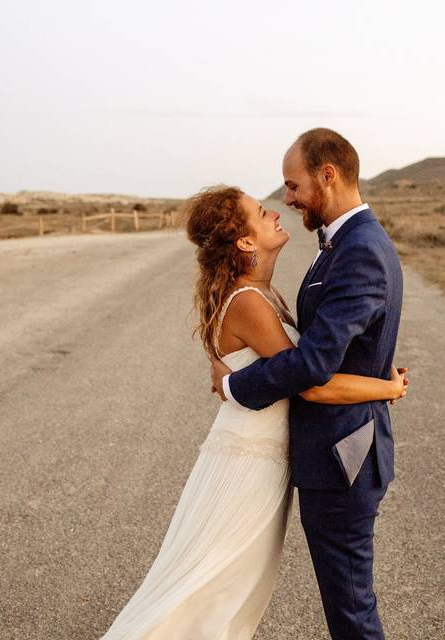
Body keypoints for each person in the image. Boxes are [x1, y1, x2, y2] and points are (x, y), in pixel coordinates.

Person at [97, 182, 407, 640]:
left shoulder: (264, 295)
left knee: (228, 592)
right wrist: (388, 388)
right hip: (248, 464)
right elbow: (312, 386)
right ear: (244, 241)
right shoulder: (249, 303)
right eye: (262, 213)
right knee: (214, 590)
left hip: (260, 459)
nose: (276, 213)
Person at [210, 128, 404, 640]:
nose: (288, 198)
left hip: (344, 456)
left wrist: (235, 387)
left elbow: (314, 366)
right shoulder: (341, 244)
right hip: (340, 452)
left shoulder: (357, 249)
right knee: (349, 606)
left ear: (328, 175)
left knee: (352, 612)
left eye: (293, 186)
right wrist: (382, 380)